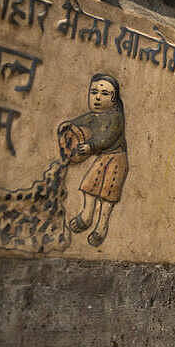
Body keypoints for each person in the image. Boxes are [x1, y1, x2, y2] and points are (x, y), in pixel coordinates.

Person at [60, 73, 128, 247]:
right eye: (94, 92)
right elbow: (78, 122)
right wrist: (68, 126)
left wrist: (91, 146)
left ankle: (101, 227)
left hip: (117, 159)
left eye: (105, 94)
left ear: (114, 99)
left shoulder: (115, 117)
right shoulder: (93, 115)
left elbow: (108, 137)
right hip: (103, 158)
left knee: (107, 195)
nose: (98, 97)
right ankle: (86, 216)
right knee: (89, 186)